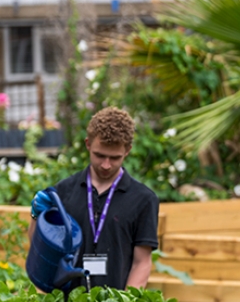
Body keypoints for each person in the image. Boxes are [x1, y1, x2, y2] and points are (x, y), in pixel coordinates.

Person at [27, 107, 159, 291]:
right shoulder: (64, 191)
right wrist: (36, 215)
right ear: (88, 144)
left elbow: (142, 262)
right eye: (99, 155)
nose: (106, 165)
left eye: (114, 158)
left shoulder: (143, 200)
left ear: (127, 150)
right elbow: (41, 245)